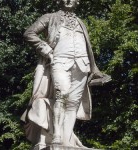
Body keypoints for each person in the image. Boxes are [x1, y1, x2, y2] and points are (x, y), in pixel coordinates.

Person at [21, 0, 107, 149]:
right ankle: (56, 138)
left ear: (77, 2)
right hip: (60, 61)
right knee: (62, 95)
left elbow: (88, 48)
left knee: (73, 103)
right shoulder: (50, 17)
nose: (68, 0)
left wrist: (95, 69)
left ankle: (66, 142)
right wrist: (46, 50)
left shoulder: (81, 22)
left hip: (82, 65)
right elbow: (29, 33)